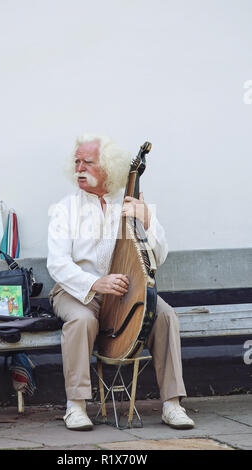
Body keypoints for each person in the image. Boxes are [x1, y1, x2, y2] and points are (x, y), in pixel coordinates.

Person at [47, 134, 194, 431]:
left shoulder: (129, 201)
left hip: (125, 291)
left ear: (109, 167)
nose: (79, 168)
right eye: (76, 161)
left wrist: (148, 219)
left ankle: (172, 404)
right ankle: (75, 406)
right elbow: (57, 264)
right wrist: (95, 283)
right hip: (75, 291)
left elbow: (159, 256)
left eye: (87, 162)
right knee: (80, 321)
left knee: (165, 316)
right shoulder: (65, 208)